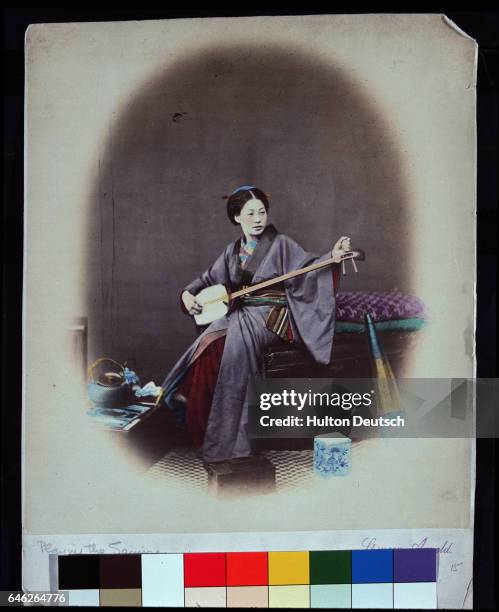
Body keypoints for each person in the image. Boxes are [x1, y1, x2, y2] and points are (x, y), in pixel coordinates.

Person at [160, 185, 351, 463]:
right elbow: (205, 280)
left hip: (272, 315)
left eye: (261, 212)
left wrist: (332, 258)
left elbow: (309, 268)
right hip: (242, 313)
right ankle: (195, 408)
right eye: (250, 214)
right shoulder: (231, 252)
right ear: (237, 217)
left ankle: (227, 436)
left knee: (230, 347)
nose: (258, 219)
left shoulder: (281, 244)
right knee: (208, 342)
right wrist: (187, 294)